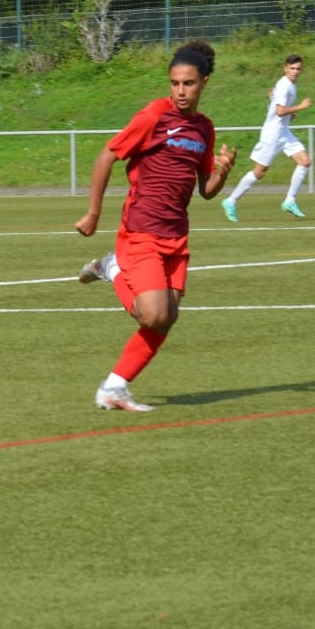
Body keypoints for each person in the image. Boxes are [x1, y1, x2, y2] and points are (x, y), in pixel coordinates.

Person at [74, 40, 235, 413]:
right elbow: (106, 156)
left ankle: (114, 388)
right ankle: (112, 268)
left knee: (166, 318)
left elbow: (206, 190)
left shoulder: (204, 129)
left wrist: (224, 173)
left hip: (176, 235)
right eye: (174, 83)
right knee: (153, 314)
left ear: (204, 83)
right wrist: (93, 213)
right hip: (142, 229)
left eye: (188, 83)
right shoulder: (153, 117)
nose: (180, 91)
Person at [221, 53, 310, 221]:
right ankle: (231, 200)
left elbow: (278, 107)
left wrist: (289, 113)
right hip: (273, 134)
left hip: (283, 131)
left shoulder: (291, 85)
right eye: (292, 68)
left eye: (298, 69)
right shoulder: (285, 85)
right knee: (259, 172)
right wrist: (300, 107)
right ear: (285, 69)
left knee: (305, 162)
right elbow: (280, 111)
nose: (295, 71)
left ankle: (290, 201)